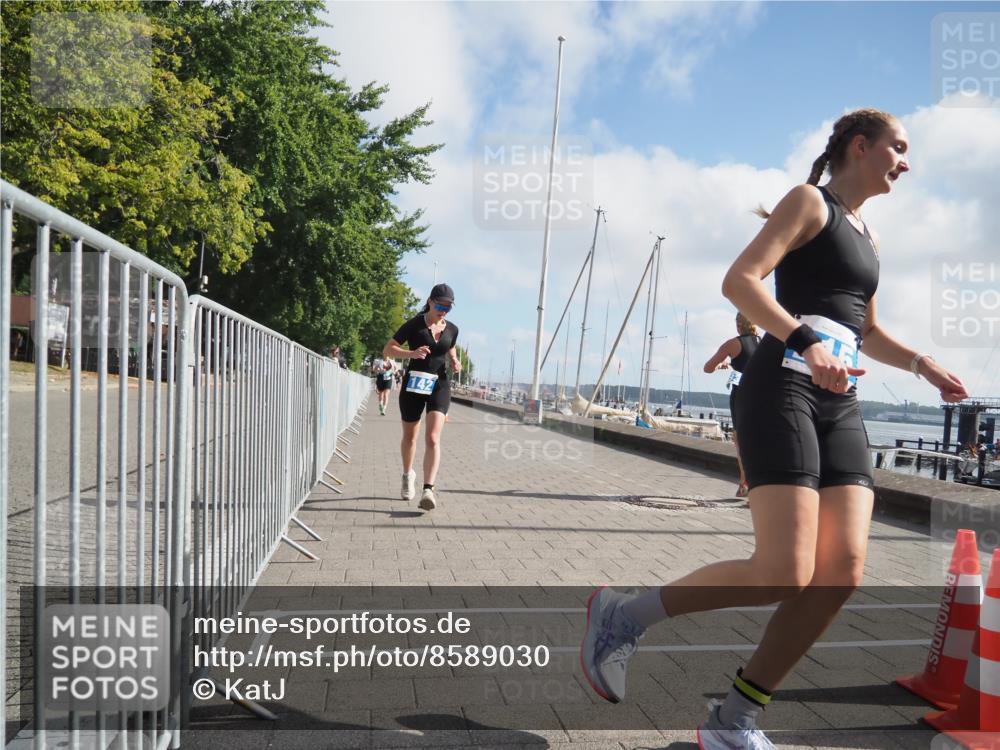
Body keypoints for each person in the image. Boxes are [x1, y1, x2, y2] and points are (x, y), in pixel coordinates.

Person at [580, 109, 969, 749]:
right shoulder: (810, 203)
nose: (906, 162)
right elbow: (740, 281)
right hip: (784, 381)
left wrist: (923, 365)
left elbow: (867, 331)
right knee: (785, 571)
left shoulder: (869, 238)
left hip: (838, 399)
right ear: (860, 146)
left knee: (841, 572)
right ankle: (624, 615)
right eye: (898, 148)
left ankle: (733, 720)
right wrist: (805, 338)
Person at [382, 283, 461, 510]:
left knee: (433, 438)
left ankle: (428, 489)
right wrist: (411, 353)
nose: (443, 310)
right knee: (410, 437)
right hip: (414, 384)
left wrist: (454, 360)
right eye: (440, 305)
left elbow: (451, 346)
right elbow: (387, 350)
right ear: (429, 301)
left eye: (448, 307)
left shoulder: (453, 329)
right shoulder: (414, 326)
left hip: (439, 384)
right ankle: (408, 475)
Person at [703, 312, 761, 497]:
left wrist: (721, 365)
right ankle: (754, 483)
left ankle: (747, 482)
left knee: (741, 441)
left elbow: (708, 367)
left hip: (742, 395)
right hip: (764, 394)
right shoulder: (765, 342)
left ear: (738, 325)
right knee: (760, 439)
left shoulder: (733, 344)